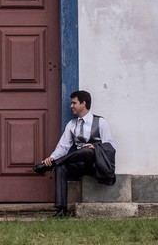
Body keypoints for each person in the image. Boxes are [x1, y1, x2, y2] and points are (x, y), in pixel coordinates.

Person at [33, 89, 116, 218]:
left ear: (83, 103)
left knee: (87, 151)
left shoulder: (100, 122)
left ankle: (53, 164)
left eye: (74, 103)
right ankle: (61, 210)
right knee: (60, 168)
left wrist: (94, 147)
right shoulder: (71, 125)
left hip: (96, 165)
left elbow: (110, 146)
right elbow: (63, 147)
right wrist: (52, 157)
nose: (71, 106)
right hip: (80, 163)